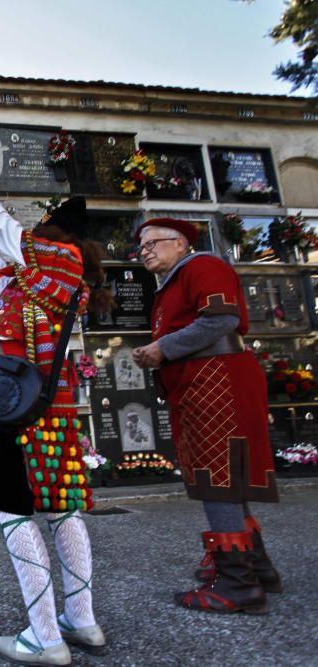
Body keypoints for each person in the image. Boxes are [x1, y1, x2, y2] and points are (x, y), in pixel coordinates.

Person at [0, 168, 113, 665]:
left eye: (39, 228)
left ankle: (44, 639)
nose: (31, 236)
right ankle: (81, 620)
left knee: (14, 512)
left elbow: (5, 230)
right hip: (53, 409)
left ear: (55, 234)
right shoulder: (55, 276)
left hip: (18, 414)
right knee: (64, 509)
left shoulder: (55, 258)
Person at [131, 218, 280, 614]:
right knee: (224, 473)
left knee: (219, 475)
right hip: (202, 383)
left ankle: (236, 585)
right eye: (140, 247)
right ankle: (256, 567)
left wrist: (162, 348)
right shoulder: (172, 284)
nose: (144, 251)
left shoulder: (202, 266)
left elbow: (220, 320)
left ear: (180, 244)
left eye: (151, 243)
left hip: (217, 381)